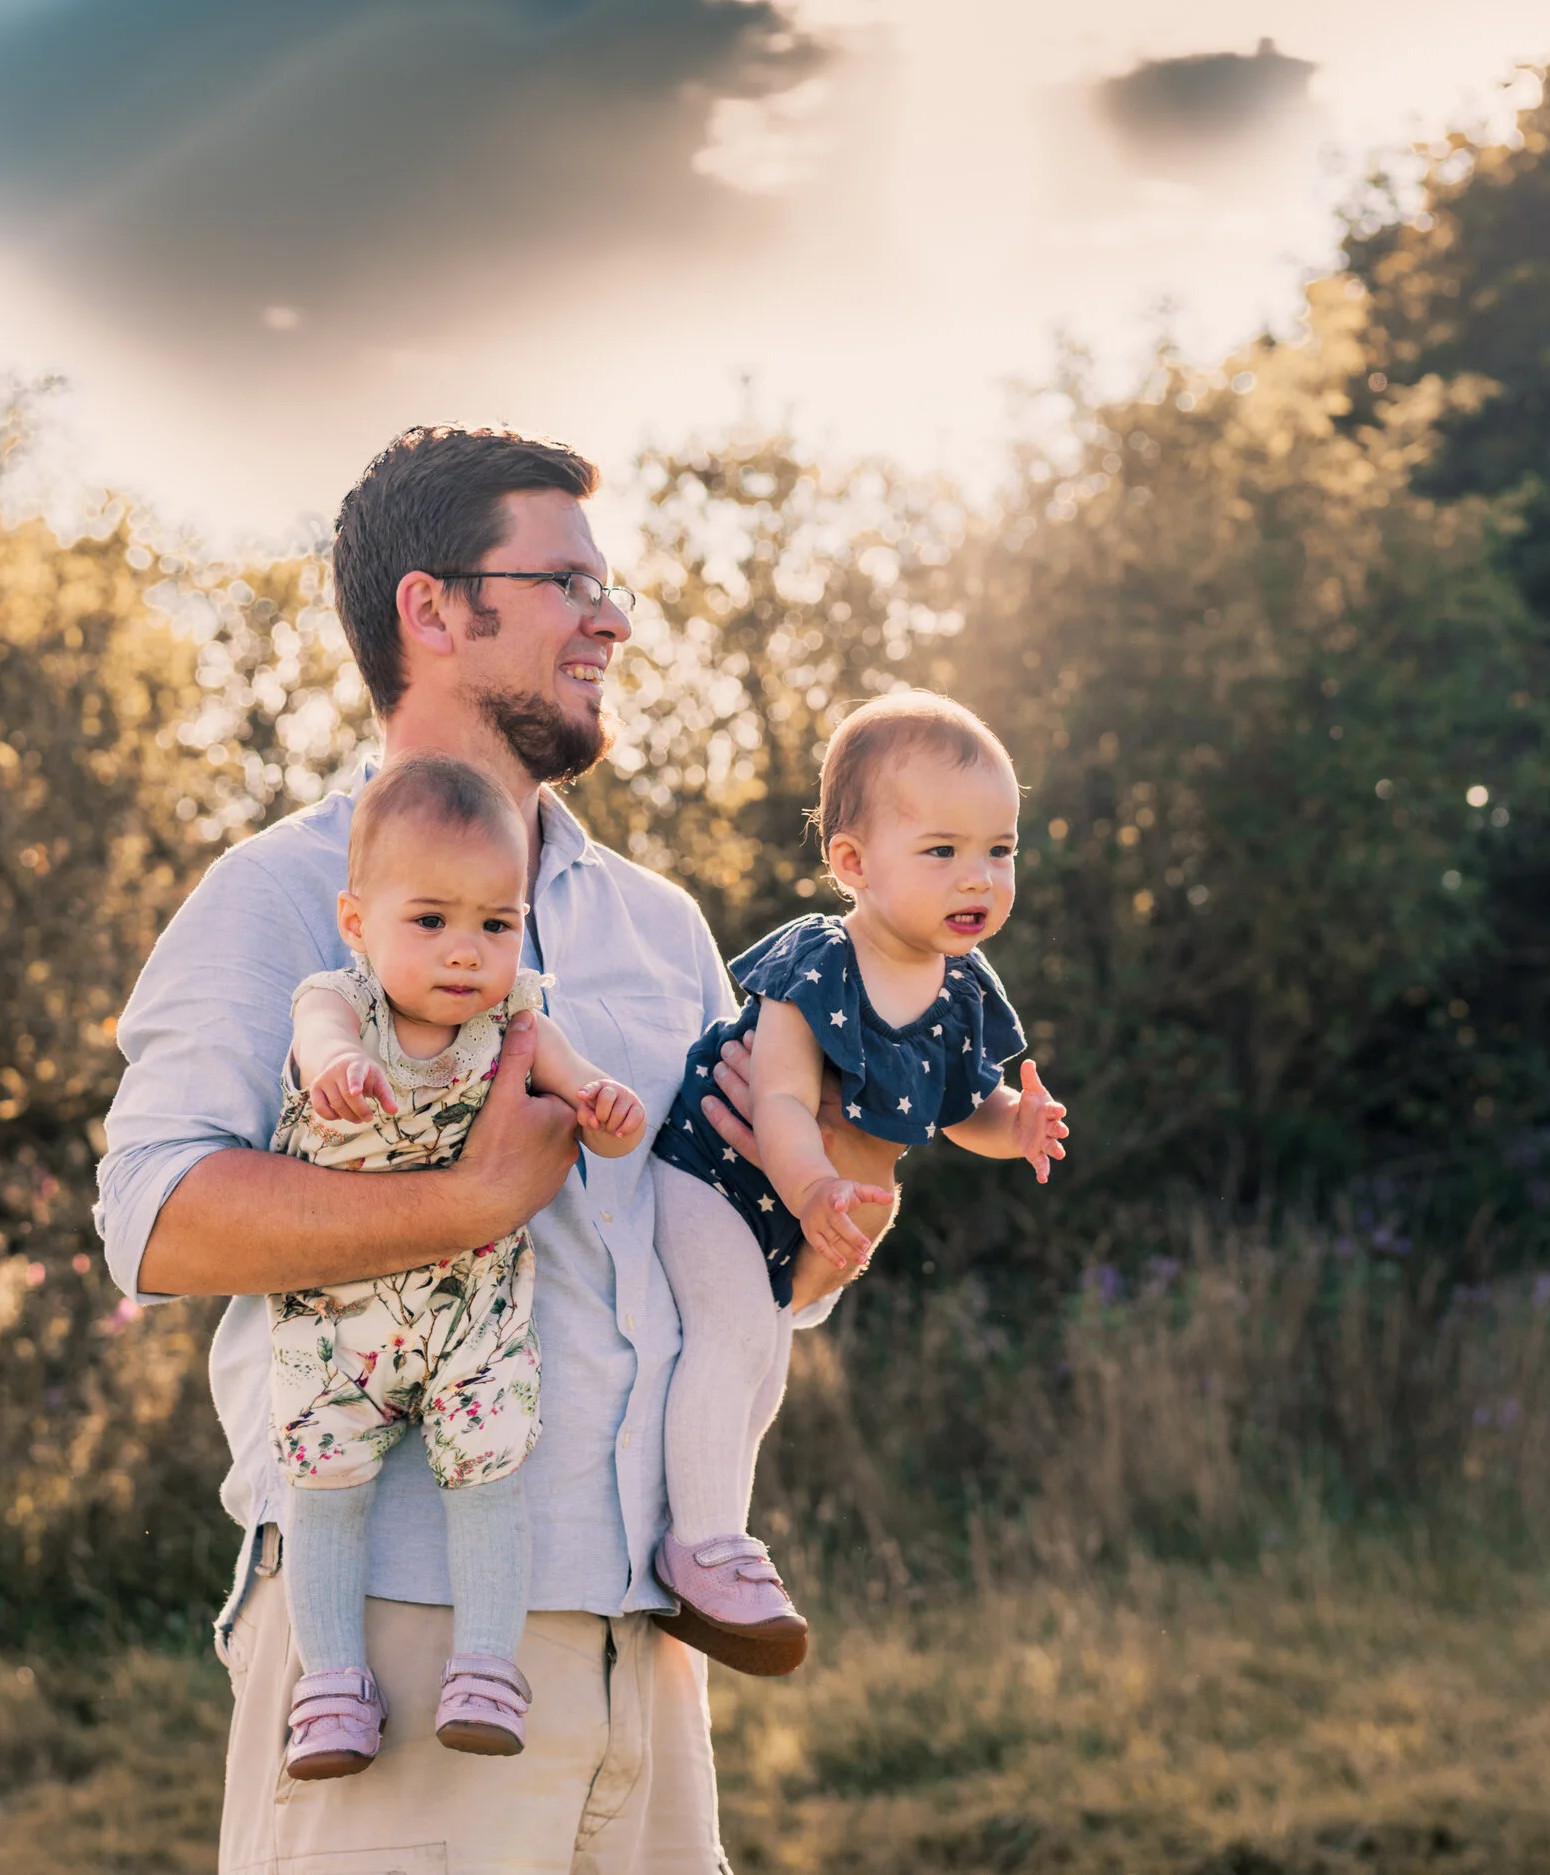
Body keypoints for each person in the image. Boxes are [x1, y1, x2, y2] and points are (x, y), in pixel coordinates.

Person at [95, 424, 893, 1873]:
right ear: (433, 608)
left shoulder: (659, 926)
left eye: (612, 584)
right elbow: (154, 1216)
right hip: (393, 1644)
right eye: (566, 581)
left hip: (643, 1644)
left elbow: (716, 1264)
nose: (613, 617)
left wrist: (823, 1237)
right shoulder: (285, 891)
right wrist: (461, 1203)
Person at [646, 694, 1069, 1672]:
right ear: (852, 864)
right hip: (710, 1178)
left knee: (757, 1372)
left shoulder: (963, 989)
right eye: (941, 851)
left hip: (803, 1210)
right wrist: (811, 1198)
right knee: (734, 1335)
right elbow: (783, 1105)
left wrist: (1020, 1125)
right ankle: (703, 1545)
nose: (978, 877)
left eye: (998, 851)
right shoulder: (820, 960)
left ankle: (693, 1535)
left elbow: (968, 1108)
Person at [268, 751, 644, 1778]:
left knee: (487, 1478)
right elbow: (318, 1040)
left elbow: (587, 1097)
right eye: (429, 921)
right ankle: (331, 1686)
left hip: (471, 1313)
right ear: (358, 922)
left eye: (494, 921)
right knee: (325, 1487)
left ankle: (484, 1669)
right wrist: (338, 1072)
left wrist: (605, 1108)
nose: (465, 950)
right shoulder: (339, 1003)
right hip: (335, 1322)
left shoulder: (516, 1019)